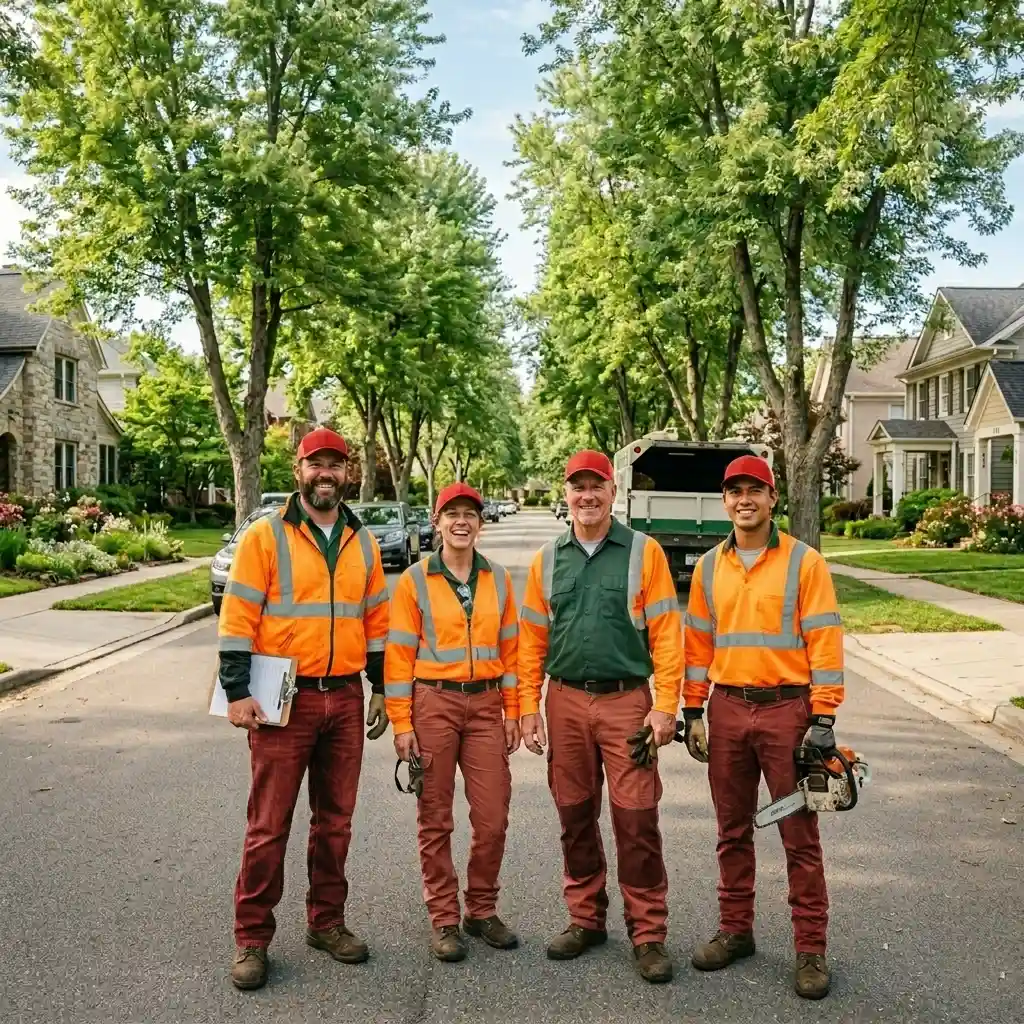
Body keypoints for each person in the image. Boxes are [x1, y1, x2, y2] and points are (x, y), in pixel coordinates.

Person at [217, 427, 391, 991]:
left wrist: (383, 688)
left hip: (343, 696)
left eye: (336, 466)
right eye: (316, 464)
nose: (326, 474)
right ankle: (252, 939)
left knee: (335, 823)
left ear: (348, 474)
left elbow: (378, 624)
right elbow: (238, 618)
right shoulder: (266, 537)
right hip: (280, 700)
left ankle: (326, 922)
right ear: (299, 470)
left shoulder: (362, 540)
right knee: (268, 825)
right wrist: (237, 691)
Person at [680, 454, 845, 1000]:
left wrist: (823, 717)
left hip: (788, 714)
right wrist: (693, 711)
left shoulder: (805, 563)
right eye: (734, 491)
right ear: (724, 501)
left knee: (798, 835)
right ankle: (735, 932)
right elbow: (698, 646)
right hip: (726, 711)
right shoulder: (707, 567)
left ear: (774, 498)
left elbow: (824, 641)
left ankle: (811, 950)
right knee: (731, 830)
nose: (744, 499)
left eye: (755, 490)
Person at [518, 450, 683, 984]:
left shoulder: (644, 551)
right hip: (564, 701)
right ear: (564, 494)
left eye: (597, 486)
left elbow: (666, 634)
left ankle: (649, 932)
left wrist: (665, 705)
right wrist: (527, 708)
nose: (587, 495)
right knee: (573, 813)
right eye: (577, 486)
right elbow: (530, 642)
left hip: (627, 704)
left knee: (636, 819)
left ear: (614, 492)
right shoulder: (548, 560)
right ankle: (585, 918)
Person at [384, 482, 521, 962]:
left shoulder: (498, 580)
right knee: (434, 818)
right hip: (433, 705)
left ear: (480, 524)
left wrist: (514, 710)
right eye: (452, 514)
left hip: (485, 707)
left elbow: (511, 652)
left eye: (470, 514)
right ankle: (444, 916)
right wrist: (402, 723)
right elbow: (398, 657)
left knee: (493, 817)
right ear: (437, 522)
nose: (461, 522)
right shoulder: (415, 580)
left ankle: (480, 910)